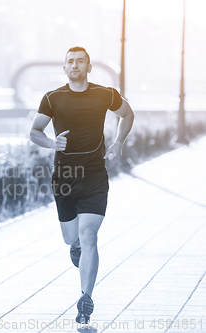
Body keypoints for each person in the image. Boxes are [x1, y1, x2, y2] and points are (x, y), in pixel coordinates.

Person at [30, 46, 134, 324]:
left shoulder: (105, 94)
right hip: (63, 176)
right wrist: (53, 143)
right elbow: (34, 131)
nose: (75, 65)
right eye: (70, 62)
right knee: (71, 237)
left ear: (89, 67)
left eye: (80, 61)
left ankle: (85, 298)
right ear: (64, 68)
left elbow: (127, 113)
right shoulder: (52, 98)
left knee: (90, 236)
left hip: (94, 175)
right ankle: (73, 245)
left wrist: (118, 142)